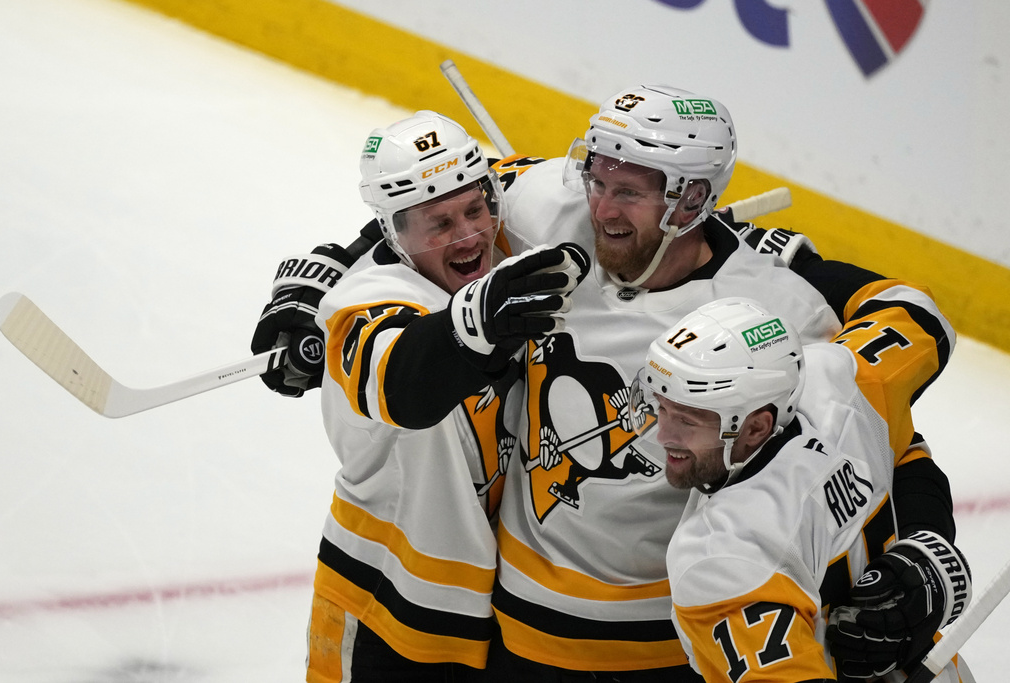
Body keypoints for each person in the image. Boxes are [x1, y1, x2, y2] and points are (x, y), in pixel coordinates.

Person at [252, 85, 962, 680]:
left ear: (690, 201)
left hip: (668, 647)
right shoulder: (545, 213)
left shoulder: (770, 310)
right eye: (596, 179)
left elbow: (864, 424)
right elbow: (438, 196)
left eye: (627, 191)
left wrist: (927, 543)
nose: (601, 208)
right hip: (514, 632)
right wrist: (331, 267)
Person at [251, 110, 589, 682]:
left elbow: (599, 194)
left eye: (474, 210)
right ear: (394, 235)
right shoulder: (363, 304)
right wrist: (475, 322)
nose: (467, 236)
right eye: (438, 224)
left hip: (505, 612)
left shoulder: (506, 233)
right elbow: (405, 379)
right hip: (386, 606)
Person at [628, 297, 972, 682]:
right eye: (663, 407)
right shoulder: (841, 383)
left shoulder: (720, 557)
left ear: (757, 426)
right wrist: (926, 542)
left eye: (688, 420)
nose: (662, 435)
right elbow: (917, 310)